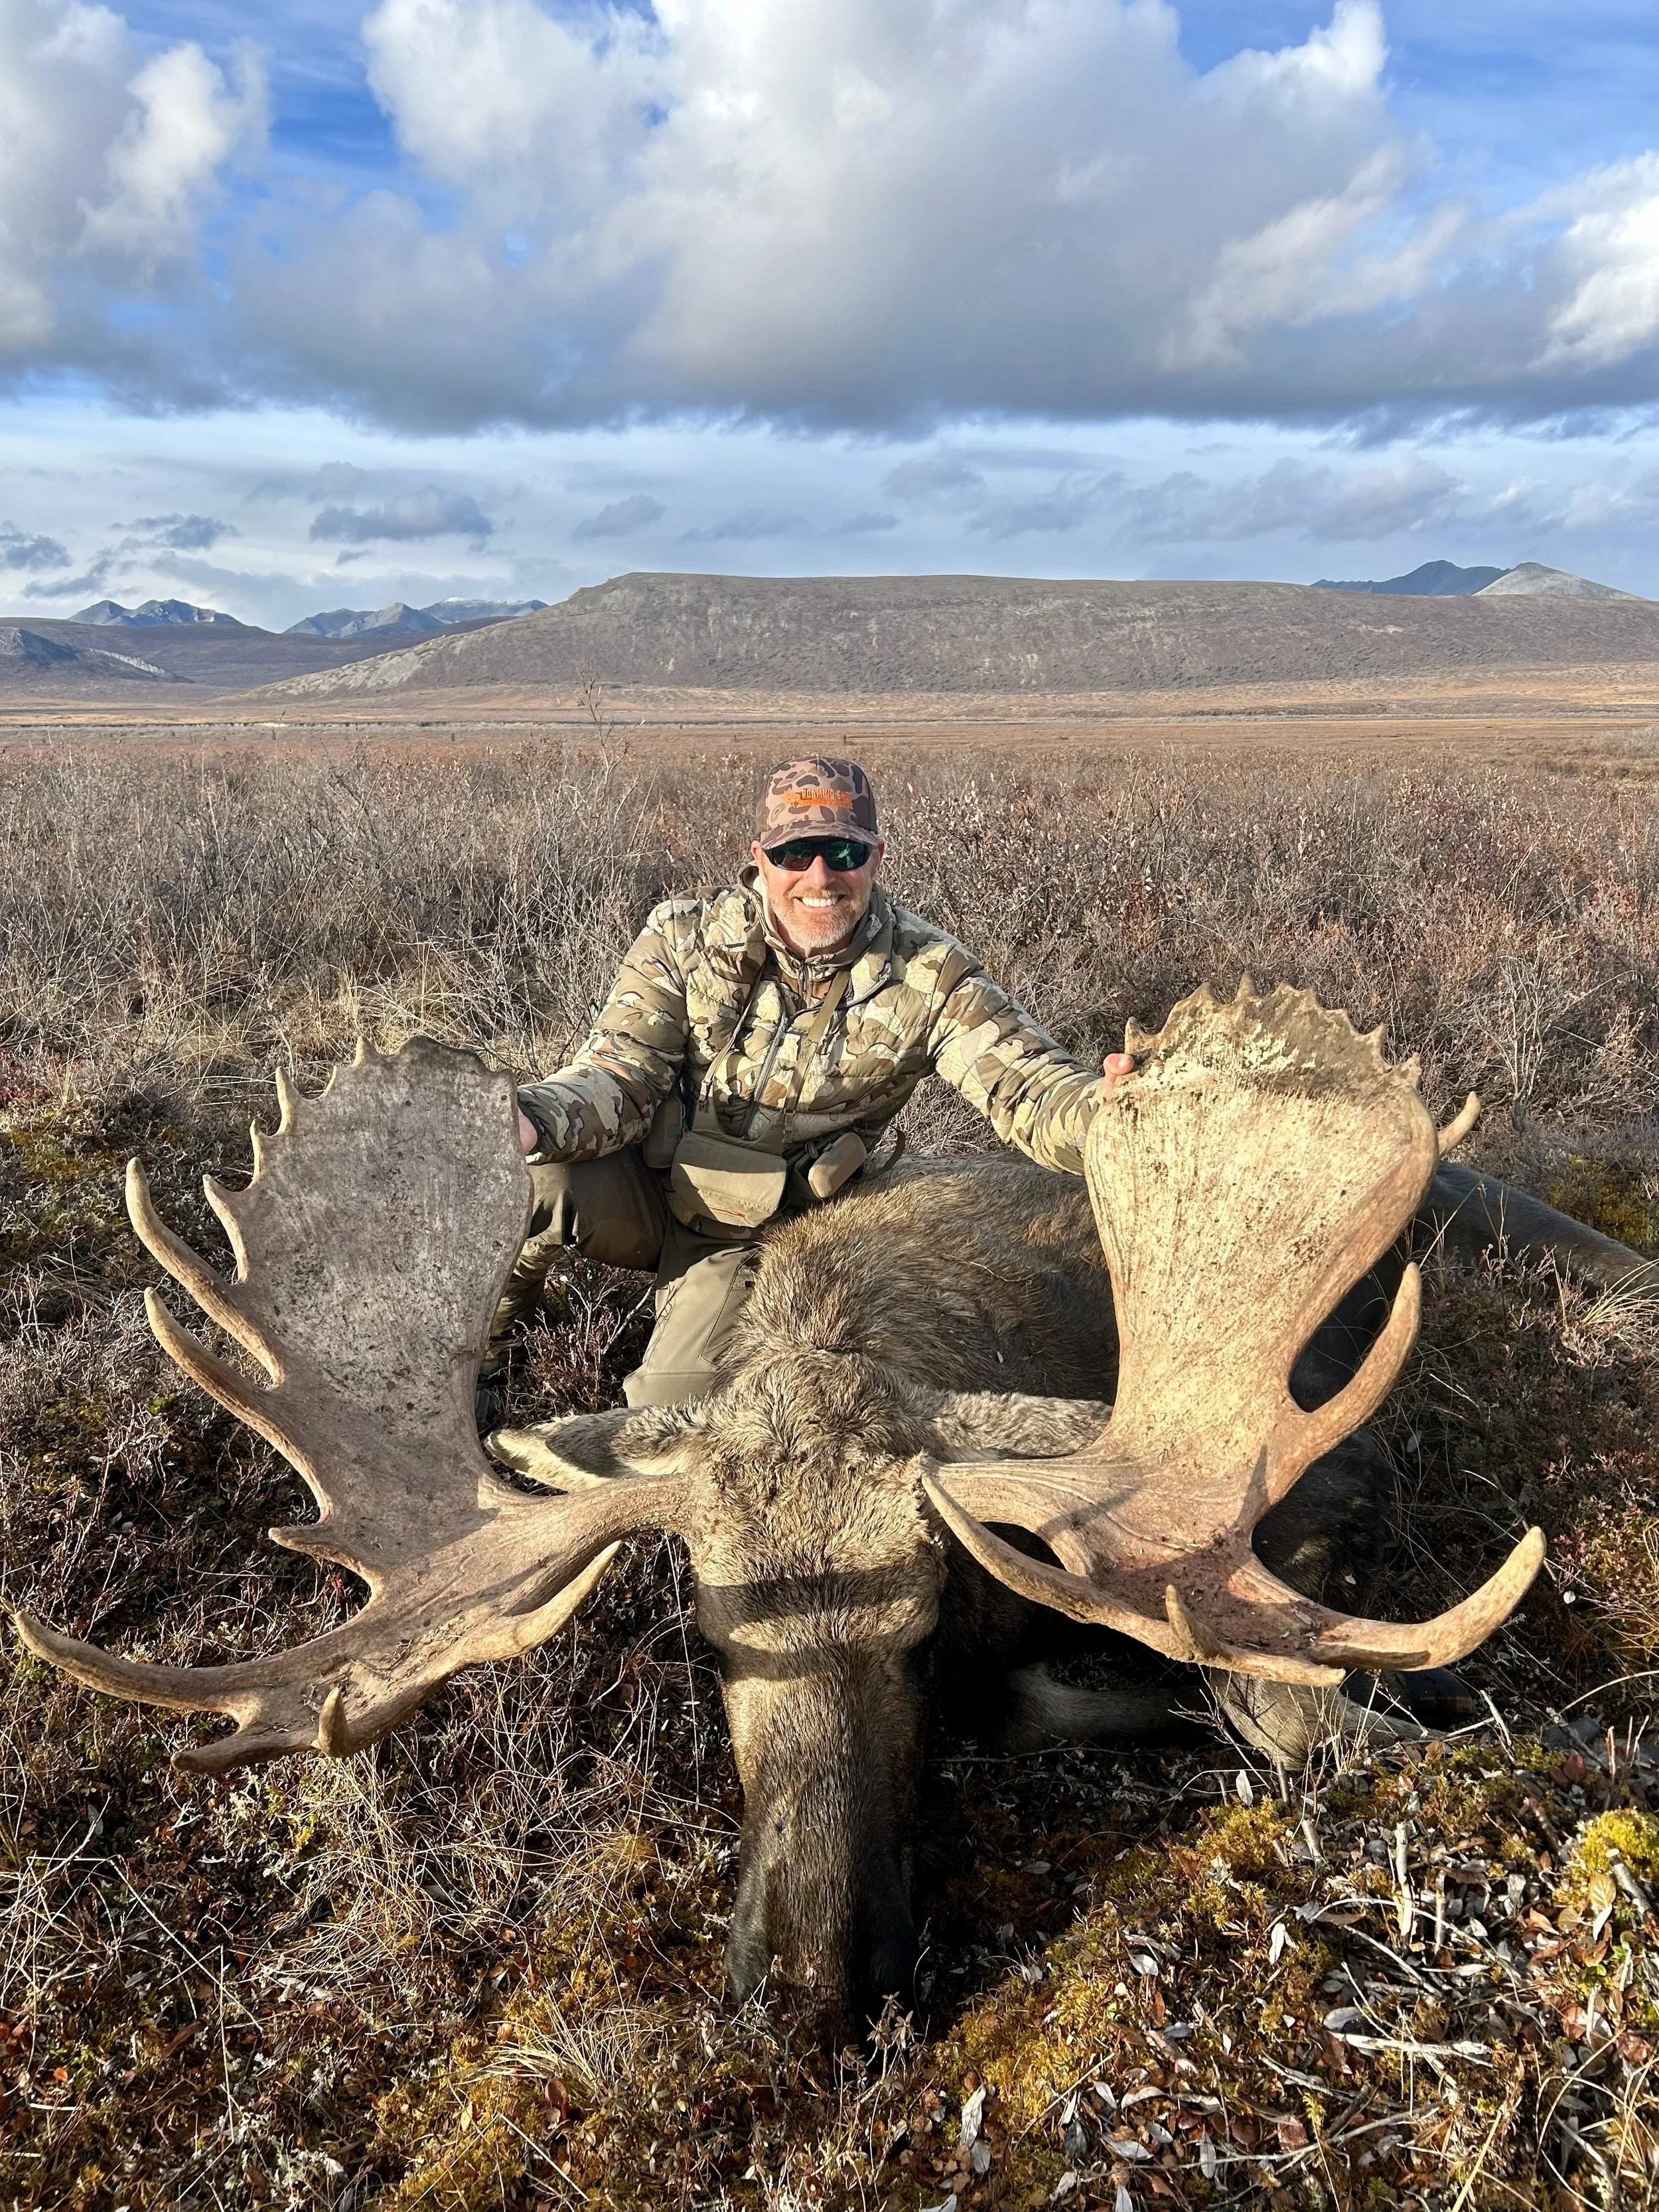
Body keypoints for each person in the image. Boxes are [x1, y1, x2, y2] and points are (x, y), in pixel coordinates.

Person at [485, 756, 1134, 1414]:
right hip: (658, 1188)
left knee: (670, 1415)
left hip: (776, 1232)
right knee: (523, 1178)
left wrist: (1111, 1114)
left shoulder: (930, 973)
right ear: (759, 858)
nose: (820, 878)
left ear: (875, 858)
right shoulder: (681, 937)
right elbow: (619, 1073)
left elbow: (1030, 1089)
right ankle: (483, 1366)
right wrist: (531, 1118)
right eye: (795, 853)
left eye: (842, 851)